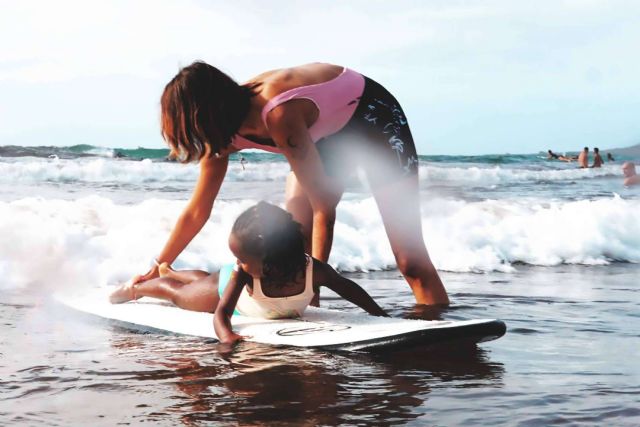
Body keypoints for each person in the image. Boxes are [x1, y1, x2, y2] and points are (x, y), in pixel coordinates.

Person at [128, 61, 449, 305]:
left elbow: (325, 207)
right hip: (323, 134)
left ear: (205, 117)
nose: (194, 142)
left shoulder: (278, 113)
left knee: (411, 262)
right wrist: (160, 265)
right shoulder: (220, 136)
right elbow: (197, 211)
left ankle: (444, 337)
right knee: (294, 235)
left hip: (373, 119)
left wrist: (314, 293)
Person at [110, 202, 388, 343]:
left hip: (226, 282)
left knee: (205, 277)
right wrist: (227, 336)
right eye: (237, 257)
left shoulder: (314, 271)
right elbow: (221, 314)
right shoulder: (243, 272)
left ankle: (170, 270)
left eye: (241, 257)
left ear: (274, 260)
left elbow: (348, 288)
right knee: (179, 294)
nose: (238, 262)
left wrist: (378, 314)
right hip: (224, 291)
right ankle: (138, 287)